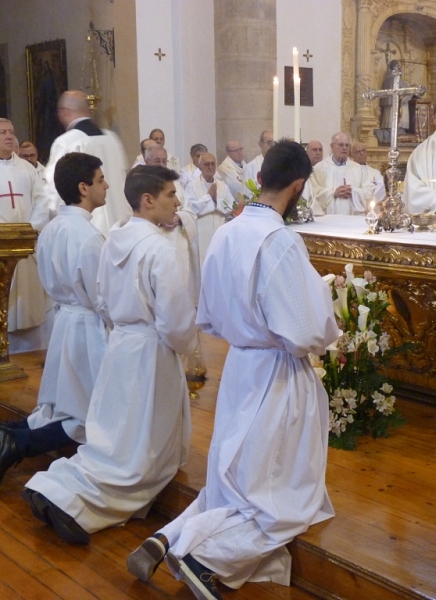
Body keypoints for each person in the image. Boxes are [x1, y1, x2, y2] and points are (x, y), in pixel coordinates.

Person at [127, 140, 339, 599]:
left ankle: (169, 536)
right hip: (277, 374)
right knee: (282, 497)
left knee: (237, 484)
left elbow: (212, 311)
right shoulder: (279, 240)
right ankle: (207, 559)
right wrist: (327, 300)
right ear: (299, 186)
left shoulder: (226, 232)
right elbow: (305, 331)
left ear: (260, 178)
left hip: (240, 367)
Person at [23, 165, 197, 544]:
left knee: (113, 438)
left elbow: (101, 298)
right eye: (170, 195)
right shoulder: (158, 248)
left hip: (120, 344)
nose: (177, 202)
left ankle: (57, 485)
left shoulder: (114, 238)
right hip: (151, 352)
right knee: (141, 455)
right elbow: (175, 322)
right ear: (148, 200)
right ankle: (76, 505)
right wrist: (188, 350)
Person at [0, 152, 110, 485]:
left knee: (58, 405)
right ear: (83, 187)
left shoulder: (51, 229)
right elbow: (101, 297)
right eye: (101, 179)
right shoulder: (89, 237)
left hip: (63, 322)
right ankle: (16, 443)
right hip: (88, 329)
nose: (106, 186)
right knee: (85, 412)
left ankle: (8, 434)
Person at [43, 90, 131, 236]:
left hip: (86, 228)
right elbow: (124, 179)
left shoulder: (67, 142)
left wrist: (51, 225)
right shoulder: (112, 139)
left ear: (64, 111)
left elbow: (56, 189)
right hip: (120, 226)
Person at [0, 119, 51, 345]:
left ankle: (29, 351)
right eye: (2, 133)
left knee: (28, 306)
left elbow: (41, 200)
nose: (9, 136)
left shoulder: (27, 168)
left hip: (25, 243)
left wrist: (31, 229)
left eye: (11, 132)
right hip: (1, 246)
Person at [146, 145, 200, 301]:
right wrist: (160, 220)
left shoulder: (175, 184)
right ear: (148, 161)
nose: (162, 165)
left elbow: (190, 211)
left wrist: (179, 217)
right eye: (158, 161)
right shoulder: (142, 183)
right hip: (154, 239)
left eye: (164, 161)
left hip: (176, 240)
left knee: (178, 289)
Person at [186, 152, 234, 266]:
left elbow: (232, 206)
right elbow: (190, 208)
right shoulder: (191, 186)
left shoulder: (222, 185)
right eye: (207, 164)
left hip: (219, 230)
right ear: (200, 166)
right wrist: (208, 197)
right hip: (201, 232)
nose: (211, 167)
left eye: (213, 164)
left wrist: (217, 199)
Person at [311, 132, 373, 215]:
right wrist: (333, 192)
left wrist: (353, 192)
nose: (344, 148)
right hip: (328, 220)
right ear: (332, 146)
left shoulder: (359, 169)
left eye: (347, 145)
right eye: (341, 145)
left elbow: (369, 192)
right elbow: (313, 193)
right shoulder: (319, 168)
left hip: (353, 220)